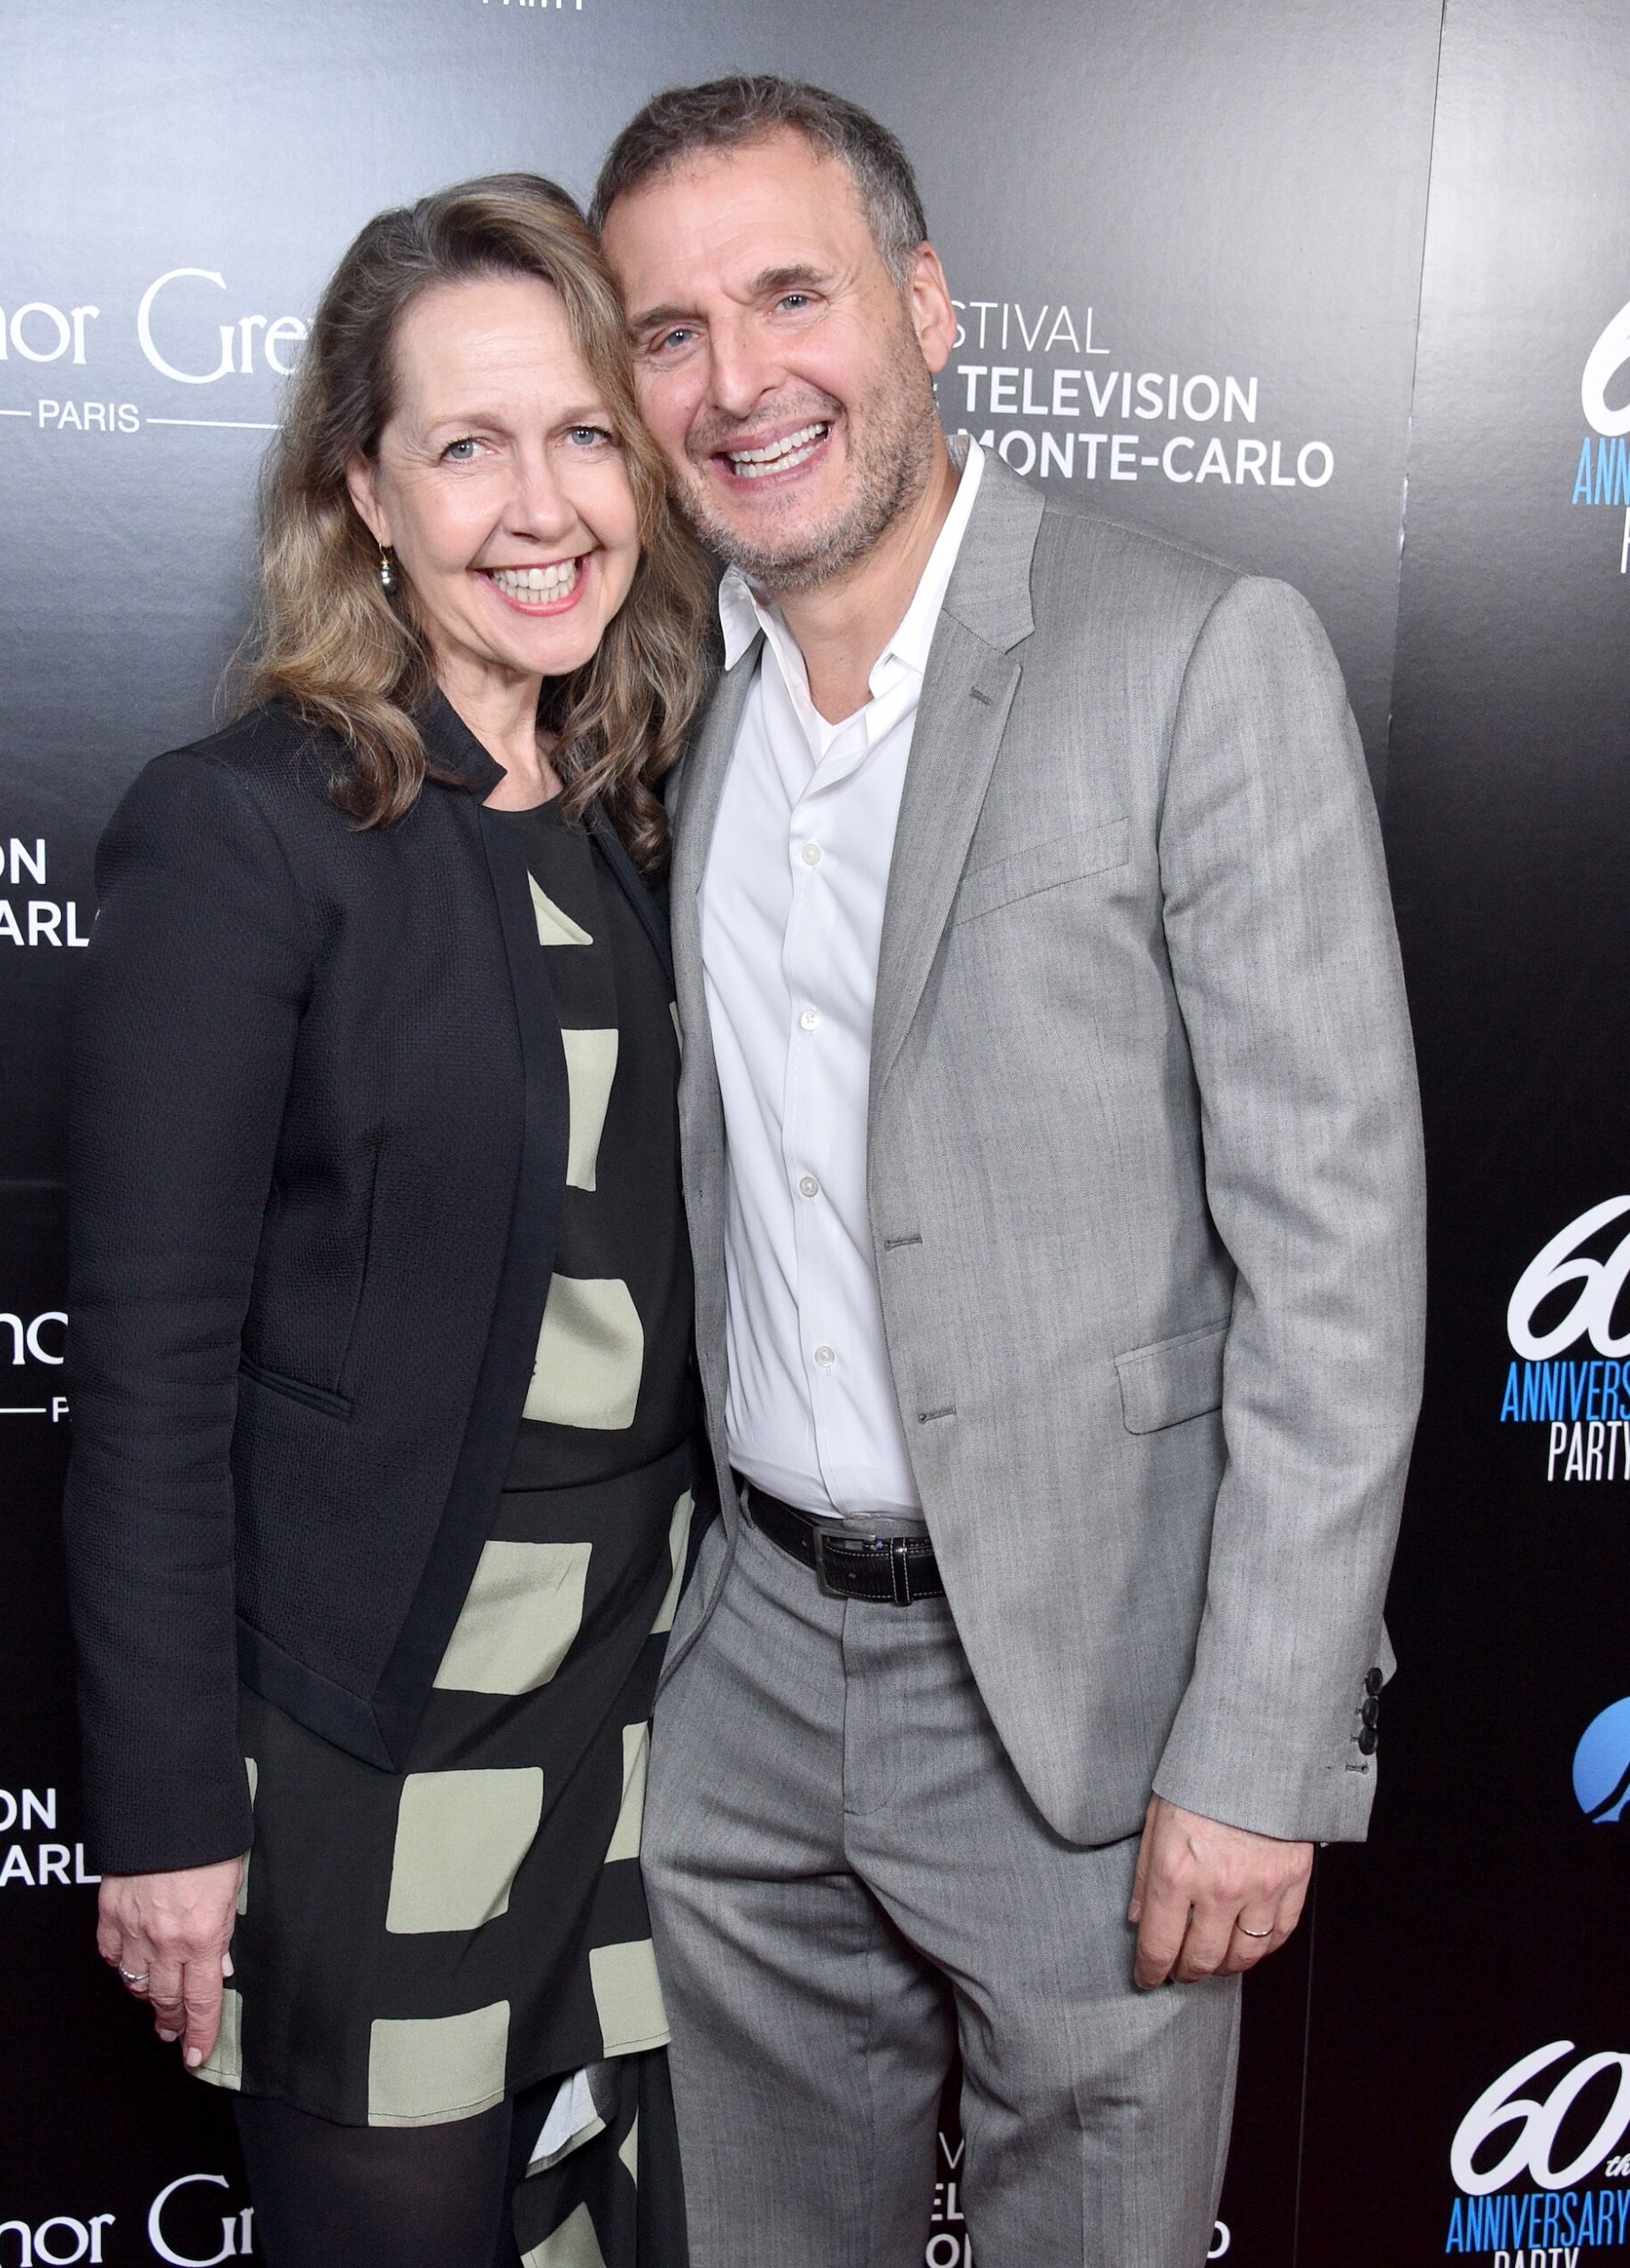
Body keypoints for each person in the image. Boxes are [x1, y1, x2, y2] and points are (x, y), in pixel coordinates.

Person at [593, 75, 1425, 2268]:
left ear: (928, 305)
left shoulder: (1191, 650)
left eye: (793, 296)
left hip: (1089, 1686)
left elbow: (1336, 1256)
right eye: (666, 332)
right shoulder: (686, 700)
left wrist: (1256, 1746)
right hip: (751, 1667)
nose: (737, 377)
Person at [62, 173, 712, 2268]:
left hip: (653, 1733)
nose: (543, 506)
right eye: (466, 444)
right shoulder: (248, 828)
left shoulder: (647, 816)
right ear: (361, 488)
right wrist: (168, 1818)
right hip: (378, 1736)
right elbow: (148, 1376)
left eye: (585, 432)